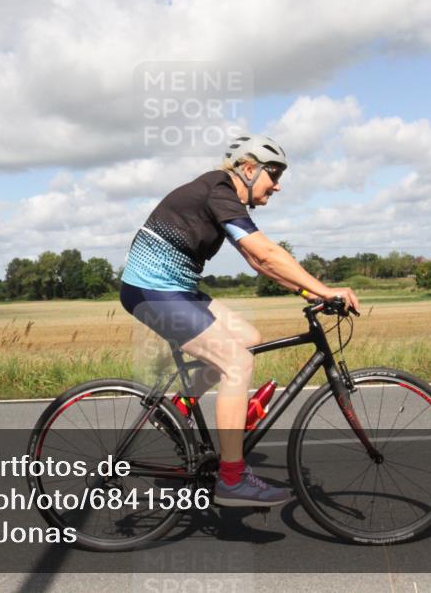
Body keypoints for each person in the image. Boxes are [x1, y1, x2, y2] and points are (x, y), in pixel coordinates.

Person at [119, 135, 361, 507]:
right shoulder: (219, 189)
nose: (277, 185)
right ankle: (231, 479)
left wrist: (308, 293)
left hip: (176, 289)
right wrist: (326, 290)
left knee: (248, 337)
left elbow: (255, 260)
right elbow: (263, 251)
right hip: (153, 292)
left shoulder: (221, 194)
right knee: (237, 363)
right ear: (249, 169)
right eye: (273, 173)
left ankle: (179, 407)